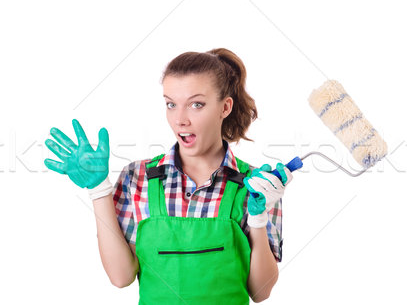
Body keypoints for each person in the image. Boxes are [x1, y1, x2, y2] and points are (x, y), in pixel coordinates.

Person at [44, 48, 290, 304]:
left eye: (197, 104)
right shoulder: (137, 178)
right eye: (171, 104)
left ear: (225, 107)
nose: (180, 119)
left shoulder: (257, 184)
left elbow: (260, 292)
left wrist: (259, 219)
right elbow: (121, 277)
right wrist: (98, 190)